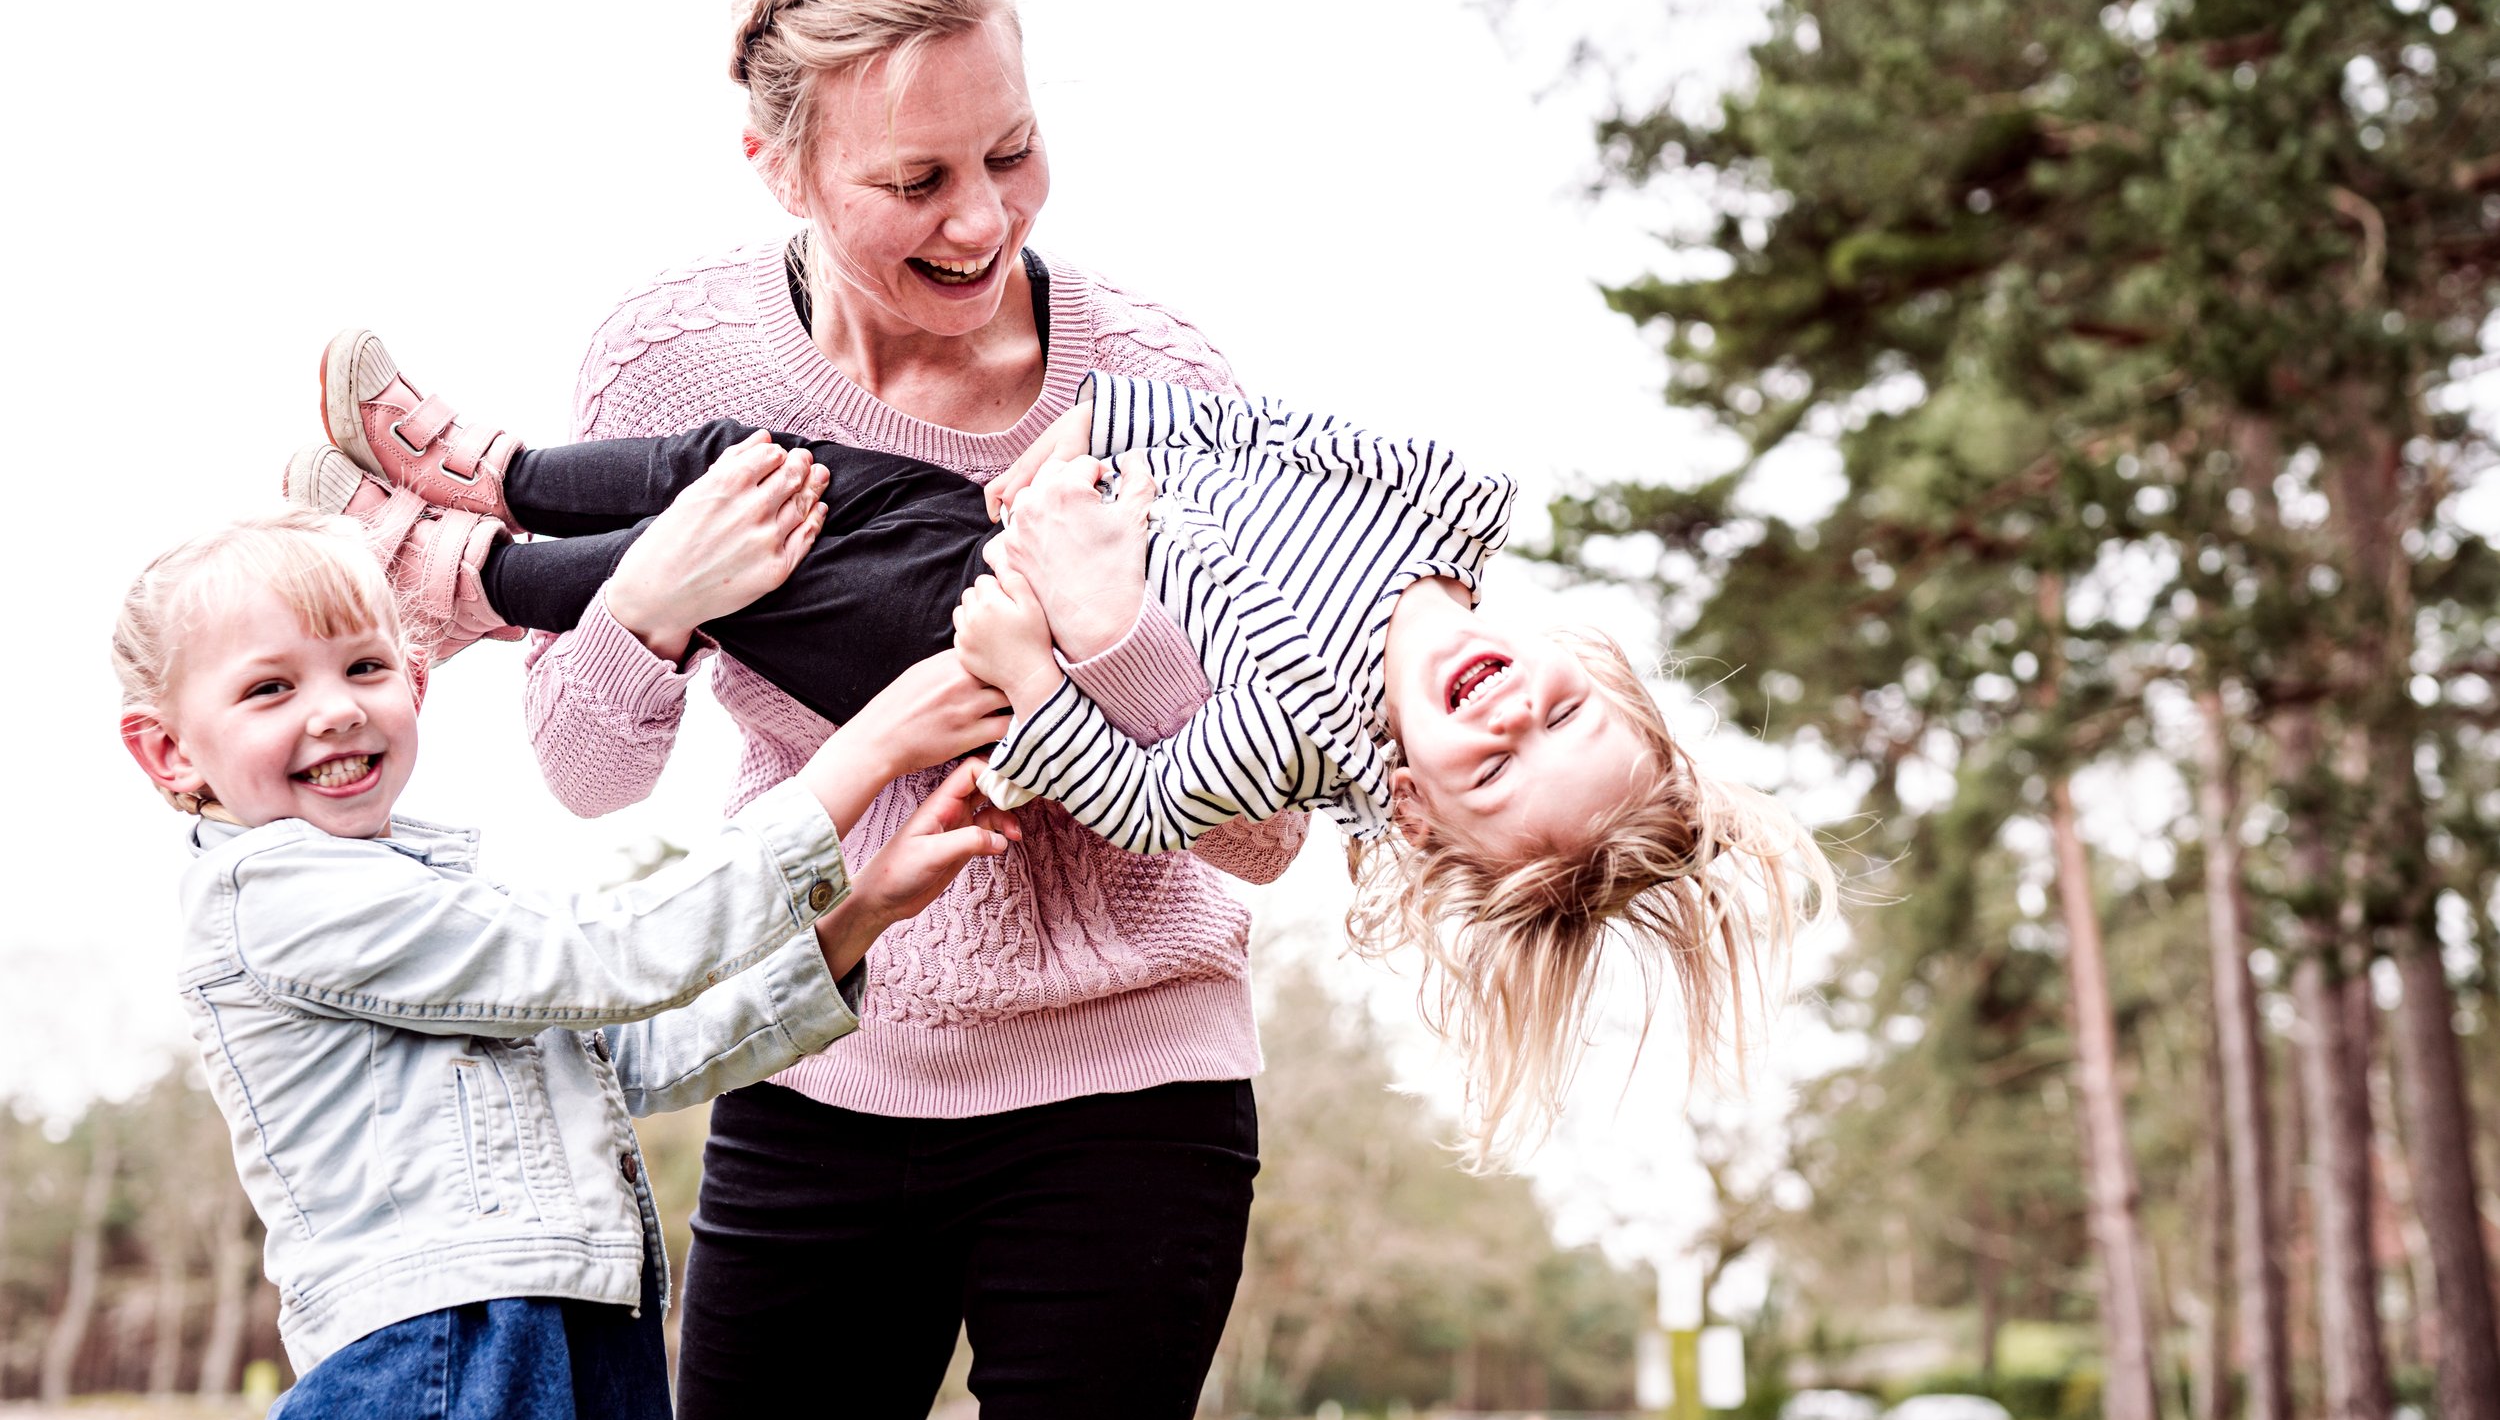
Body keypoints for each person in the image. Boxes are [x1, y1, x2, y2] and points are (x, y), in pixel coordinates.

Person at [439, 0, 1298, 1420]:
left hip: (1133, 1089)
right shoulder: (668, 355)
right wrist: (656, 594)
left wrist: (1103, 658)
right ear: (775, 162)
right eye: (916, 182)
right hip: (820, 1056)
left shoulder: (1161, 383)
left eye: (1016, 152)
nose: (983, 217)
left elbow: (1272, 827)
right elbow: (586, 769)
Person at [299, 340, 1833, 1159]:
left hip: (958, 620)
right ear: (1594, 663)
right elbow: (1262, 433)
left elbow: (1143, 794)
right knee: (749, 470)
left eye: (1499, 769)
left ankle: (454, 578)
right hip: (1023, 506)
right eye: (1557, 711)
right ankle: (493, 471)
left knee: (750, 567)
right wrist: (1092, 435)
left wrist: (1043, 664)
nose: (1505, 714)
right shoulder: (1449, 501)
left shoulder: (1302, 734)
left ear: (1425, 816)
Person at [113, 510, 1019, 1420]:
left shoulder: (437, 893)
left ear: (414, 679)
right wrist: (865, 752)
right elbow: (603, 952)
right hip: (441, 1360)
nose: (333, 711)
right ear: (168, 747)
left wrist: (862, 911)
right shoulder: (268, 892)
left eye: (362, 666)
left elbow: (636, 1048)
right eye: (270, 687)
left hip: (585, 1343)